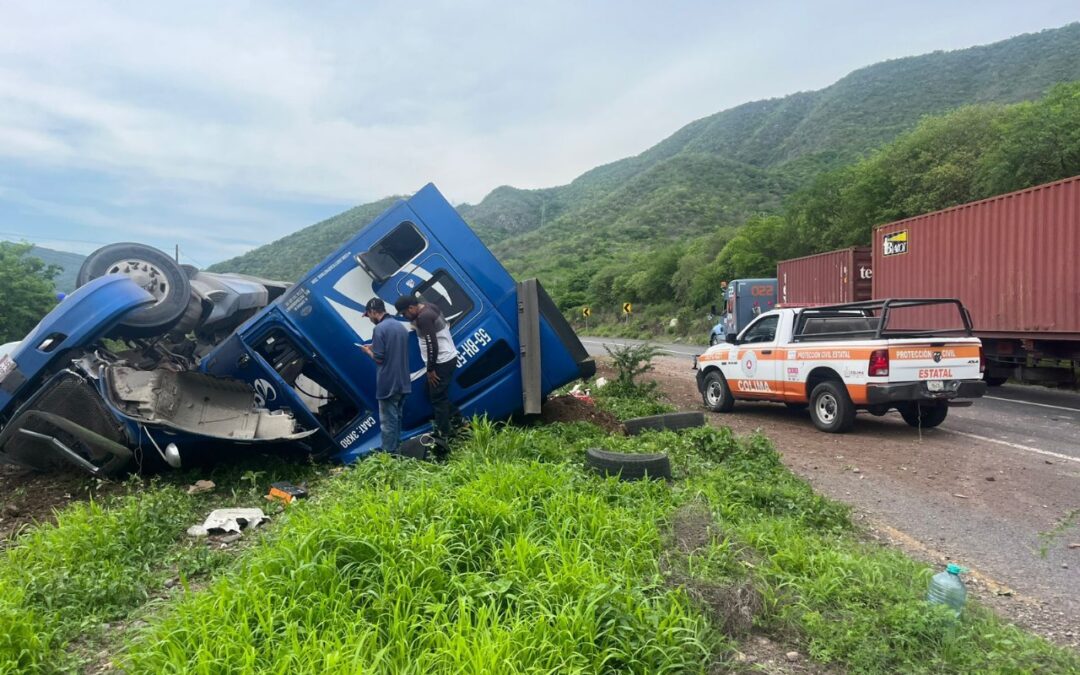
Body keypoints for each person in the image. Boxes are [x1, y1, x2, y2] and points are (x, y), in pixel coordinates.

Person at [394, 295, 463, 443]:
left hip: (441, 361)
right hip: (445, 358)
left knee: (438, 399)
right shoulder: (428, 306)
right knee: (430, 392)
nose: (405, 317)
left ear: (411, 308)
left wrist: (431, 369)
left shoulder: (424, 318)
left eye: (404, 313)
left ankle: (446, 435)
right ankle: (458, 419)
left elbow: (432, 345)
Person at [360, 297, 411, 454]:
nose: (370, 320)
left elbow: (379, 358)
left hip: (388, 382)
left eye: (369, 316)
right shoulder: (400, 326)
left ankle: (389, 457)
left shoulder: (379, 329)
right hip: (403, 381)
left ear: (373, 312)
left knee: (388, 422)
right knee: (397, 419)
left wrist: (368, 351)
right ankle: (398, 452)